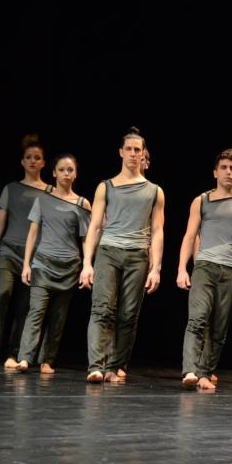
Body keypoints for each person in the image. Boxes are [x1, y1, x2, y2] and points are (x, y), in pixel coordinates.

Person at [80, 127, 165, 383]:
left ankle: (116, 366)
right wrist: (87, 263)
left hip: (138, 255)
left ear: (143, 154)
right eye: (128, 149)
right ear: (120, 152)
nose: (133, 153)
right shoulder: (105, 187)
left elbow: (158, 231)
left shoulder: (155, 191)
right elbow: (95, 227)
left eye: (137, 150)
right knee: (102, 309)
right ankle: (96, 366)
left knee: (128, 314)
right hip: (108, 251)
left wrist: (156, 268)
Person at [178, 149, 232, 391]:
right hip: (204, 266)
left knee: (219, 326)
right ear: (215, 172)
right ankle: (190, 370)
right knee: (197, 318)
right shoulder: (202, 201)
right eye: (223, 167)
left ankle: (205, 373)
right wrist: (182, 268)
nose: (228, 172)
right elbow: (189, 235)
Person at [15, 154, 91, 373]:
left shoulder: (82, 203)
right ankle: (25, 358)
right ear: (54, 173)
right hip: (43, 263)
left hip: (69, 267)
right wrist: (27, 264)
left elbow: (86, 239)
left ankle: (47, 360)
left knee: (58, 316)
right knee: (36, 311)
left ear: (75, 174)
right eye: (62, 169)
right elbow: (33, 232)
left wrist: (87, 265)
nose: (66, 173)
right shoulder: (42, 199)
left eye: (70, 170)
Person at [0, 134, 52, 368]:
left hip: (35, 256)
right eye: (29, 157)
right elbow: (0, 222)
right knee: (2, 292)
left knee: (25, 306)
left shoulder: (50, 192)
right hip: (9, 250)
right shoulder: (11, 189)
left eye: (37, 157)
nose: (33, 161)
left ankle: (13, 353)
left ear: (44, 163)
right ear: (22, 161)